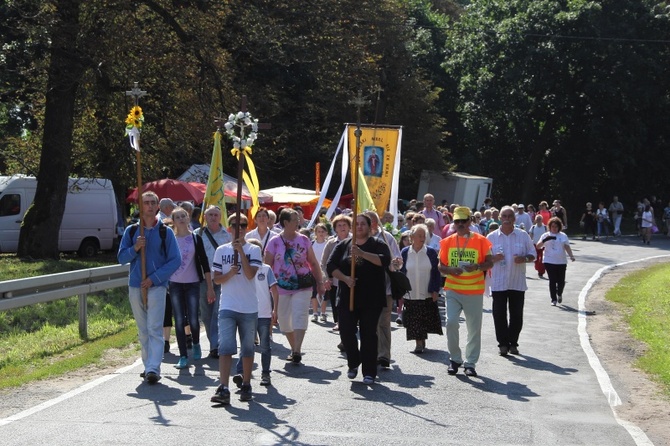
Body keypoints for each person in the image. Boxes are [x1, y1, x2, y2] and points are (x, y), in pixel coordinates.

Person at [118, 191, 181, 384]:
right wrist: (135, 248)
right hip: (136, 284)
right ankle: (147, 365)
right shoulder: (131, 231)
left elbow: (175, 260)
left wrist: (154, 278)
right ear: (140, 206)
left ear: (157, 207)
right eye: (146, 203)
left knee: (154, 327)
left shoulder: (165, 232)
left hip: (156, 286)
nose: (150, 206)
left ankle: (154, 367)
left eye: (153, 203)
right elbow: (121, 258)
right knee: (143, 328)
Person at [327, 214, 391, 384]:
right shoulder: (343, 245)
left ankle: (369, 371)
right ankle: (353, 362)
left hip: (371, 298)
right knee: (346, 331)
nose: (359, 227)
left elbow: (385, 261)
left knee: (368, 334)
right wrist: (345, 278)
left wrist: (362, 253)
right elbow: (330, 266)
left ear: (370, 227)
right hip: (348, 296)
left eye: (363, 224)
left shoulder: (378, 244)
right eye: (356, 224)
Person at [210, 213, 262, 405]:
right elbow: (216, 279)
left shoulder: (254, 250)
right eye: (234, 225)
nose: (238, 228)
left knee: (247, 348)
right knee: (225, 347)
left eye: (242, 225)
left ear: (246, 228)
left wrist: (241, 253)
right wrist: (230, 273)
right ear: (230, 228)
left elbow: (250, 275)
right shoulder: (221, 250)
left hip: (248, 307)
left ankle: (246, 383)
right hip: (228, 306)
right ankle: (223, 387)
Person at [265, 208, 325, 364]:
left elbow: (312, 262)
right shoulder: (274, 242)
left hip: (303, 285)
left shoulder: (304, 240)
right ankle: (294, 348)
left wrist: (320, 282)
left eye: (298, 219)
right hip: (281, 288)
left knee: (300, 315)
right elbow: (267, 266)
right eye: (295, 219)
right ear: (285, 223)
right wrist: (265, 288)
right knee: (284, 321)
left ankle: (297, 350)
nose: (299, 221)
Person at [438, 206, 493, 377]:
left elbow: (489, 263)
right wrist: (449, 270)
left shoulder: (481, 240)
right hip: (453, 289)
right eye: (457, 221)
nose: (460, 224)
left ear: (470, 221)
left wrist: (477, 266)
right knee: (451, 323)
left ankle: (470, 362)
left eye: (463, 221)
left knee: (473, 329)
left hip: (474, 291)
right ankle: (455, 359)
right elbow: (441, 266)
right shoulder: (447, 241)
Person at [486, 206, 536, 356]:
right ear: (500, 218)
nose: (507, 219)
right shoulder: (491, 237)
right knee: (499, 314)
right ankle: (502, 343)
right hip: (498, 282)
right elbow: (484, 260)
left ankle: (513, 342)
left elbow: (533, 254)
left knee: (516, 315)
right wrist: (494, 259)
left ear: (514, 219)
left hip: (517, 282)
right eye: (504, 216)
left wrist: (524, 258)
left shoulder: (523, 235)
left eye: (510, 216)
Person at [168, 206, 214, 369]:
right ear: (173, 221)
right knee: (179, 320)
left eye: (184, 216)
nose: (181, 219)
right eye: (177, 217)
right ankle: (183, 355)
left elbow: (204, 263)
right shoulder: (170, 239)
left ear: (188, 219)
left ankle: (195, 342)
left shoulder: (196, 238)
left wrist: (210, 287)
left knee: (194, 320)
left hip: (193, 283)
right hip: (175, 284)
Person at [232, 238, 279, 388]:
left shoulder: (266, 269)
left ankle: (265, 373)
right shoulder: (241, 269)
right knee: (246, 345)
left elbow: (275, 291)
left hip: (264, 314)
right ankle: (241, 373)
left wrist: (275, 310)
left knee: (265, 346)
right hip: (246, 312)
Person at [364, 210, 402, 369]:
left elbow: (398, 261)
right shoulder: (359, 239)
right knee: (368, 323)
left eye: (371, 222)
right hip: (365, 288)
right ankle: (370, 352)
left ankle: (384, 355)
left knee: (384, 321)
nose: (368, 225)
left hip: (384, 287)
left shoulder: (387, 237)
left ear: (376, 223)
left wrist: (396, 263)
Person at [194, 205, 232, 359]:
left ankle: (216, 345)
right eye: (210, 214)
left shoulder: (227, 235)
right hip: (203, 280)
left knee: (218, 313)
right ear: (205, 216)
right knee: (206, 314)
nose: (213, 217)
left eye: (216, 214)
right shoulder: (197, 234)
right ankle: (213, 343)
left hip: (222, 279)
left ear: (220, 216)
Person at [399, 224, 443, 353]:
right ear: (412, 237)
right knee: (414, 318)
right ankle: (418, 342)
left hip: (427, 291)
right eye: (419, 235)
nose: (422, 238)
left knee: (424, 318)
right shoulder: (405, 252)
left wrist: (435, 290)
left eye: (424, 235)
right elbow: (401, 271)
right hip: (411, 292)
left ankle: (421, 338)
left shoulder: (430, 252)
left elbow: (436, 272)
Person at [321, 214, 353, 333]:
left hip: (351, 279)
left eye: (344, 225)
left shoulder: (355, 241)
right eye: (339, 225)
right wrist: (326, 278)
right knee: (336, 302)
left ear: (349, 227)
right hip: (334, 280)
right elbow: (323, 263)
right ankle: (339, 322)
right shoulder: (331, 243)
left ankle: (351, 322)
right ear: (335, 228)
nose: (342, 227)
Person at [536, 217, 576, 306]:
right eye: (552, 226)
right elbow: (538, 246)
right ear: (549, 227)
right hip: (549, 261)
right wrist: (545, 240)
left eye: (556, 227)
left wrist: (571, 256)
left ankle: (559, 293)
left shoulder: (563, 236)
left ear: (559, 227)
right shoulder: (545, 235)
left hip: (561, 261)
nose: (554, 228)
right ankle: (553, 299)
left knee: (561, 281)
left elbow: (567, 247)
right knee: (552, 280)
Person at [310, 223, 330, 322]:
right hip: (313, 271)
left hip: (324, 272)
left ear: (326, 233)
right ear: (315, 233)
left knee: (325, 293)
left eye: (323, 231)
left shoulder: (328, 244)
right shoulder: (312, 244)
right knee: (314, 292)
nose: (321, 233)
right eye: (319, 231)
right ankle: (315, 313)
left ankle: (323, 313)